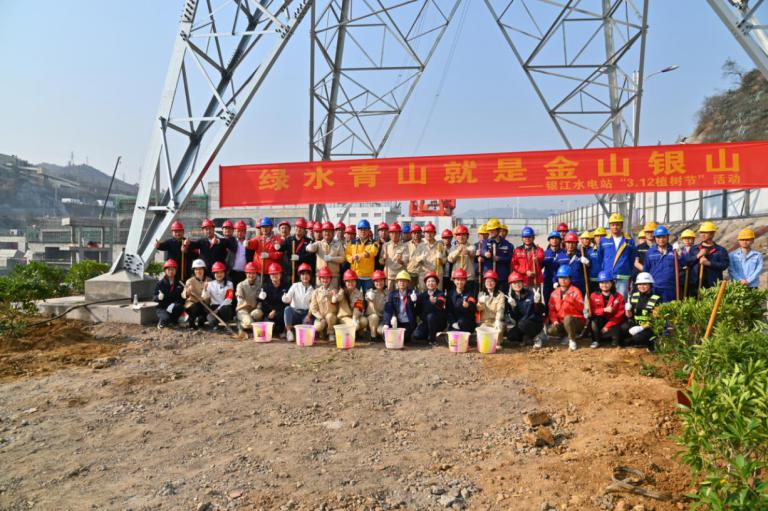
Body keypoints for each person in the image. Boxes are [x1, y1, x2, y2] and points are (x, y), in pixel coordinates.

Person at [546, 266, 586, 352]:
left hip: (576, 321)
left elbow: (582, 308)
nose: (563, 280)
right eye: (560, 278)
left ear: (570, 279)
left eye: (565, 278)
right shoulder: (554, 293)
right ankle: (567, 335)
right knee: (550, 330)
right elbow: (552, 310)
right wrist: (555, 320)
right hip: (561, 322)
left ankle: (572, 341)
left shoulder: (576, 291)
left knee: (568, 319)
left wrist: (571, 299)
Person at [597, 213, 635, 299]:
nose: (615, 227)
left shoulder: (629, 240)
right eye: (613, 225)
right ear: (610, 226)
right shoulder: (604, 240)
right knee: (608, 301)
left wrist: (627, 271)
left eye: (617, 224)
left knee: (621, 301)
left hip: (623, 277)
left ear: (622, 225)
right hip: (607, 277)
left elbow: (632, 258)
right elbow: (600, 258)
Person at [505, 272, 545, 346]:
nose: (517, 285)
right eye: (514, 283)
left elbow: (541, 311)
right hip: (522, 324)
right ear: (511, 285)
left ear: (522, 283)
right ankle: (527, 337)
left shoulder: (531, 293)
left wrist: (537, 302)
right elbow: (515, 317)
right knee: (511, 336)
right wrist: (514, 307)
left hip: (534, 323)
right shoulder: (511, 298)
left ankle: (537, 337)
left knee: (523, 323)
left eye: (519, 282)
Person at [587, 271, 626, 348]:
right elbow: (592, 312)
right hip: (600, 322)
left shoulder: (619, 296)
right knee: (594, 321)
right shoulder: (593, 296)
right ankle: (596, 340)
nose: (604, 285)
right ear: (598, 284)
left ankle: (614, 340)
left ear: (611, 283)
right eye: (602, 283)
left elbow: (619, 315)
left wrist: (607, 326)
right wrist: (604, 310)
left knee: (621, 327)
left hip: (613, 322)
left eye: (607, 282)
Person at [623, 272, 660, 351]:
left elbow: (655, 320)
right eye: (639, 284)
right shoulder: (634, 296)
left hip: (649, 327)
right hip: (636, 323)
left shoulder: (656, 298)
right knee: (623, 328)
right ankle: (637, 341)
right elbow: (629, 316)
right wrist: (627, 310)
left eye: (645, 284)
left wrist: (641, 328)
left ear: (650, 285)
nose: (642, 286)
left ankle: (653, 342)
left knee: (638, 338)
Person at [642, 226, 680, 303]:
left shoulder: (674, 251)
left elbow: (683, 264)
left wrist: (681, 254)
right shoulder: (650, 252)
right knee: (654, 309)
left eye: (663, 237)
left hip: (670, 288)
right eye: (658, 237)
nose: (661, 239)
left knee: (669, 309)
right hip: (654, 288)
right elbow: (646, 271)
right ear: (655, 238)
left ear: (667, 237)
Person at [691, 221, 729, 291]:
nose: (702, 235)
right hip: (695, 285)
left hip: (713, 286)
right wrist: (697, 256)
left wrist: (709, 263)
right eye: (701, 232)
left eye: (705, 232)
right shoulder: (694, 249)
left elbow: (724, 265)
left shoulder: (720, 250)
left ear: (712, 233)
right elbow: (687, 262)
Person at [307, 221, 345, 288]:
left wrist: (332, 258)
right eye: (325, 231)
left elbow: (343, 258)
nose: (327, 233)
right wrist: (309, 246)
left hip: (334, 276)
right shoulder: (319, 244)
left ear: (333, 232)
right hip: (320, 276)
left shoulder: (338, 244)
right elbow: (310, 248)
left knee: (333, 293)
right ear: (322, 232)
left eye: (329, 231)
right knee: (319, 293)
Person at [281, 263, 314, 342]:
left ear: (310, 276)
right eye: (303, 274)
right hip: (295, 312)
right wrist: (285, 298)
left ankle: (298, 332)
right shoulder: (295, 286)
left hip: (305, 314)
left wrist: (308, 316)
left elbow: (313, 305)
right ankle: (289, 332)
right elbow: (288, 297)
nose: (305, 276)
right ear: (300, 276)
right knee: (287, 309)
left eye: (307, 274)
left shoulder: (313, 289)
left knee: (306, 333)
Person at [412, 271, 448, 344]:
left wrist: (436, 302)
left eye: (433, 281)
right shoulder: (422, 295)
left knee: (430, 316)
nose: (430, 283)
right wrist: (414, 302)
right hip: (426, 322)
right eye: (428, 281)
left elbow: (441, 302)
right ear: (426, 283)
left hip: (439, 323)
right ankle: (430, 333)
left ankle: (432, 340)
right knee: (417, 335)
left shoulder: (440, 294)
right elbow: (417, 311)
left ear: (436, 283)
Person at [480, 219, 513, 293]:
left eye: (493, 230)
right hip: (489, 277)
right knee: (488, 297)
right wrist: (485, 253)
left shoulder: (507, 244)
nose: (490, 232)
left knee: (502, 296)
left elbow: (510, 258)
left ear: (498, 230)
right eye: (489, 230)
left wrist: (499, 259)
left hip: (502, 277)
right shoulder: (485, 242)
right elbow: (482, 250)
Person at [245, 217, 284, 282]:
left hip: (272, 271)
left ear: (271, 228)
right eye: (263, 227)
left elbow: (280, 254)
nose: (264, 229)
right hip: (259, 271)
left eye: (267, 227)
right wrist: (248, 243)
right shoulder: (258, 239)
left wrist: (269, 255)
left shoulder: (277, 240)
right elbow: (252, 244)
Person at [345, 219, 379, 293]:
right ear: (358, 231)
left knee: (368, 297)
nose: (363, 231)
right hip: (355, 276)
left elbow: (373, 252)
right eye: (361, 229)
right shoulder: (352, 243)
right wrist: (352, 258)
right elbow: (347, 255)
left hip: (368, 277)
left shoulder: (374, 243)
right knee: (356, 298)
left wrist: (361, 256)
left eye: (365, 229)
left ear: (369, 230)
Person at [383, 271, 417, 343]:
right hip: (397, 322)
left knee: (404, 339)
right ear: (397, 282)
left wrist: (416, 301)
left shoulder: (412, 294)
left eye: (404, 281)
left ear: (408, 283)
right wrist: (386, 323)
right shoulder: (392, 294)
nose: (402, 283)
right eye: (400, 281)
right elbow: (388, 309)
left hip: (408, 322)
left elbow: (418, 308)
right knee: (395, 338)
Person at [280, 218, 315, 284]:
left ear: (304, 230)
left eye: (301, 228)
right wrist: (277, 247)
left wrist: (299, 257)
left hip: (303, 272)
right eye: (297, 227)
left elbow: (311, 256)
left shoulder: (309, 241)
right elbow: (281, 249)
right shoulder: (289, 240)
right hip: (290, 271)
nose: (298, 229)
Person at [446, 225, 477, 296]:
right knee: (455, 298)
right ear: (456, 237)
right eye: (459, 235)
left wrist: (467, 251)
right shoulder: (453, 248)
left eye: (464, 235)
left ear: (467, 236)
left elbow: (472, 252)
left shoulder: (471, 246)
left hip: (468, 278)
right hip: (456, 278)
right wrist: (458, 251)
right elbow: (450, 259)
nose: (461, 237)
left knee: (469, 297)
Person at [477, 270, 506, 345]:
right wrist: (480, 302)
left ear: (495, 283)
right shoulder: (481, 294)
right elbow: (478, 309)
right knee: (484, 337)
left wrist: (498, 320)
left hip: (495, 321)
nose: (489, 283)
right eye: (487, 281)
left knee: (500, 327)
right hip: (485, 321)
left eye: (492, 281)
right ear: (484, 283)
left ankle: (498, 343)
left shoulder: (501, 295)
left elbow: (500, 309)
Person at [201, 261, 234, 328]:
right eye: (217, 273)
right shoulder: (210, 284)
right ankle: (216, 325)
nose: (219, 274)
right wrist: (205, 289)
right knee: (211, 319)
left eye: (221, 272)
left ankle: (225, 322)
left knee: (225, 309)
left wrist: (218, 309)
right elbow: (204, 297)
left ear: (224, 273)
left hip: (224, 307)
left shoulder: (229, 284)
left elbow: (229, 299)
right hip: (213, 307)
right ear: (214, 274)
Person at [153, 259, 184, 329]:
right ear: (165, 271)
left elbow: (181, 298)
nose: (171, 271)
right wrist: (158, 297)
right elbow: (154, 297)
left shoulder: (179, 283)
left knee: (180, 307)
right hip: (162, 307)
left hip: (173, 306)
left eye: (173, 269)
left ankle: (174, 322)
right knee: (166, 318)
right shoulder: (160, 283)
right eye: (169, 269)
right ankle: (162, 321)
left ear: (176, 270)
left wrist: (175, 303)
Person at [259, 263, 288, 338]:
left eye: (276, 273)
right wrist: (270, 311)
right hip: (269, 313)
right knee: (267, 331)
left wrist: (275, 311)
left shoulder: (286, 286)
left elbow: (287, 303)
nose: (275, 276)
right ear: (269, 275)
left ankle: (283, 330)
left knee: (282, 318)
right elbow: (264, 303)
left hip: (281, 313)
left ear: (280, 274)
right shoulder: (265, 287)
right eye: (272, 274)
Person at [309, 267, 338, 340]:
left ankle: (331, 333)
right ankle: (322, 332)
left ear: (330, 279)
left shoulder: (335, 291)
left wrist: (334, 295)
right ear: (320, 279)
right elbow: (313, 308)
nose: (325, 280)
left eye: (327, 278)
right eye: (323, 278)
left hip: (332, 318)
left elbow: (338, 304)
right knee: (318, 326)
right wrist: (320, 317)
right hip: (321, 317)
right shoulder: (316, 292)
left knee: (330, 317)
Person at [337, 269, 368, 337]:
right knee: (354, 326)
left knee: (364, 321)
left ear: (356, 282)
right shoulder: (342, 291)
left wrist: (354, 318)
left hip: (354, 316)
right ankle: (349, 335)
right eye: (348, 281)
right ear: (345, 282)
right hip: (344, 317)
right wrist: (335, 297)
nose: (350, 283)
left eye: (352, 281)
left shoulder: (359, 293)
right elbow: (338, 298)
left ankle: (357, 332)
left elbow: (358, 307)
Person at [379, 222, 409, 291]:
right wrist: (383, 258)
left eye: (396, 233)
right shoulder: (385, 245)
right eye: (392, 233)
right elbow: (380, 262)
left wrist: (400, 261)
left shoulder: (405, 246)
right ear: (389, 234)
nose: (394, 235)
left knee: (399, 296)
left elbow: (406, 262)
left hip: (400, 278)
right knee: (388, 296)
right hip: (388, 277)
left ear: (400, 234)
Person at [182, 258, 211, 330]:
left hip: (205, 305)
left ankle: (201, 319)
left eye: (200, 269)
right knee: (197, 306)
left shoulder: (209, 280)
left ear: (204, 270)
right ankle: (191, 321)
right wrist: (188, 292)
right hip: (193, 305)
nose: (198, 271)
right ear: (193, 271)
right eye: (196, 269)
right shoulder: (190, 281)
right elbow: (183, 295)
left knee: (203, 316)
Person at [235, 262, 263, 334]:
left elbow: (260, 300)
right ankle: (241, 323)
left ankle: (250, 324)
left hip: (254, 309)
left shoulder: (260, 284)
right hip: (243, 309)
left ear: (256, 274)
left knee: (258, 313)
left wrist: (259, 306)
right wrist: (241, 301)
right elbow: (239, 298)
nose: (251, 275)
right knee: (249, 323)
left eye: (253, 273)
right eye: (249, 273)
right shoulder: (240, 285)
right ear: (246, 273)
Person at [446, 268, 477, 333]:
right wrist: (453, 322)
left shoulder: (470, 293)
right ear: (454, 281)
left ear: (465, 281)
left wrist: (468, 306)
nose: (460, 282)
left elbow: (474, 307)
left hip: (467, 323)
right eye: (457, 280)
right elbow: (448, 311)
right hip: (454, 322)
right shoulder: (450, 294)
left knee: (462, 323)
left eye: (462, 280)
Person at [418, 223, 445, 291]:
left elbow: (445, 261)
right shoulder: (420, 246)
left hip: (437, 273)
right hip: (424, 273)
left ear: (434, 233)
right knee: (423, 293)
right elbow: (415, 260)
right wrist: (420, 258)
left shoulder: (440, 245)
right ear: (424, 234)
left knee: (437, 293)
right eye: (427, 232)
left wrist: (441, 258)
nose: (429, 234)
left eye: (431, 232)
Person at [365, 270, 388, 341]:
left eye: (381, 280)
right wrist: (369, 297)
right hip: (373, 320)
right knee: (374, 317)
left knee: (381, 331)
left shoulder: (387, 292)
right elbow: (368, 297)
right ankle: (373, 336)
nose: (379, 283)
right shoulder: (371, 292)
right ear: (373, 282)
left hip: (384, 319)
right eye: (376, 281)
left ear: (384, 281)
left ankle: (380, 333)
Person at [676, 229, 698, 298]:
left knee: (693, 296)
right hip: (682, 278)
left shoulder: (697, 250)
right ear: (682, 240)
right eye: (685, 238)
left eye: (689, 238)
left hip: (694, 278)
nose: (687, 240)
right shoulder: (680, 251)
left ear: (693, 239)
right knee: (682, 296)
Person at [228, 220, 249, 291]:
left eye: (242, 231)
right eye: (238, 231)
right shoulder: (231, 242)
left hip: (244, 273)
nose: (240, 233)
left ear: (245, 232)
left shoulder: (248, 243)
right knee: (231, 292)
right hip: (232, 273)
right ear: (235, 232)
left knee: (243, 292)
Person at [543, 231, 562, 305]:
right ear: (549, 240)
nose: (554, 240)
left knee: (559, 303)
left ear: (560, 240)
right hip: (547, 282)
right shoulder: (545, 253)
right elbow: (539, 267)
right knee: (547, 302)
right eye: (552, 238)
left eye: (556, 238)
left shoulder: (564, 253)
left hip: (560, 282)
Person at [580, 231, 599, 295]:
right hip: (582, 278)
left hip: (591, 277)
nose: (585, 241)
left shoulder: (592, 250)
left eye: (587, 239)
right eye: (583, 239)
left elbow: (594, 264)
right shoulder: (579, 249)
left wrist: (588, 263)